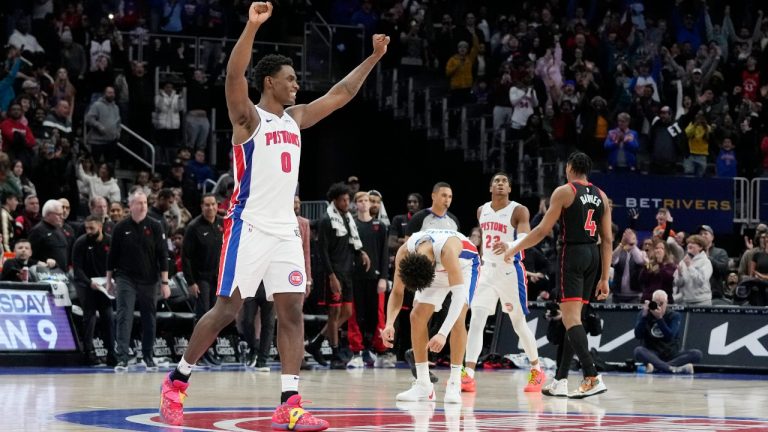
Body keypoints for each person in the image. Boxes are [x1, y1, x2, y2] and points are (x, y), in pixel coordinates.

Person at [159, 4, 389, 430]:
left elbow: (341, 95)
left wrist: (373, 58)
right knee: (227, 309)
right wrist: (250, 25)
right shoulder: (248, 118)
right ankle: (177, 381)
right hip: (247, 224)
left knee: (292, 312)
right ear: (270, 82)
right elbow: (232, 77)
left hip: (284, 227)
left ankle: (290, 401)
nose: (297, 85)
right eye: (291, 79)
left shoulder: (297, 119)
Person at [503, 152, 612, 399]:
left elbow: (542, 230)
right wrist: (605, 277)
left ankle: (591, 376)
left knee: (571, 318)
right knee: (572, 319)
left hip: (572, 253)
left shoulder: (565, 191)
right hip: (593, 256)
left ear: (570, 167)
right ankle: (561, 380)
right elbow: (607, 239)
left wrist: (514, 248)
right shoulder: (602, 196)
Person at [462, 172, 543, 394]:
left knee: (518, 323)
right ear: (490, 188)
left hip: (510, 271)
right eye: (496, 181)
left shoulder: (519, 210)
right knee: (477, 319)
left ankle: (537, 370)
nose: (500, 184)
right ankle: (468, 374)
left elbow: (526, 238)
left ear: (509, 189)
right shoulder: (482, 210)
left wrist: (509, 244)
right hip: (487, 271)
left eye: (504, 181)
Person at [381, 228, 480, 403]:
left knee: (458, 318)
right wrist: (389, 323)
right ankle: (424, 386)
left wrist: (442, 333)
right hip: (435, 269)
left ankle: (454, 383)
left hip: (464, 265)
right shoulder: (404, 252)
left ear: (431, 265)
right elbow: (397, 292)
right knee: (416, 315)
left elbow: (457, 298)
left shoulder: (447, 250)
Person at [305, 183, 371, 369]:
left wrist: (361, 253)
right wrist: (331, 276)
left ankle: (316, 343)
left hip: (347, 272)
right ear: (334, 200)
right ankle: (335, 354)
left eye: (348, 199)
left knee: (347, 312)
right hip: (333, 273)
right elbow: (322, 251)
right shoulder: (327, 220)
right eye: (343, 200)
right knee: (334, 314)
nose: (346, 202)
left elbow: (352, 243)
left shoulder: (347, 218)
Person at [106, 190, 170, 371]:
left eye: (145, 203)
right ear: (131, 205)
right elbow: (112, 256)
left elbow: (163, 255)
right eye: (139, 203)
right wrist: (109, 280)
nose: (142, 206)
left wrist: (165, 283)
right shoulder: (120, 227)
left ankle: (148, 356)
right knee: (124, 315)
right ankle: (123, 358)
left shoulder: (156, 225)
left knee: (149, 317)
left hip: (149, 279)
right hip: (125, 278)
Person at [72, 215, 116, 366]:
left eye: (92, 228)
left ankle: (112, 353)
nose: (88, 231)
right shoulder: (81, 242)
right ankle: (88, 353)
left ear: (100, 226)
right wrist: (88, 282)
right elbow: (76, 269)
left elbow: (117, 264)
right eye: (86, 228)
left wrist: (112, 281)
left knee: (108, 317)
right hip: (86, 284)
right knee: (89, 317)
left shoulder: (110, 242)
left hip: (104, 285)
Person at [633, 290, 701, 374]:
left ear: (666, 302)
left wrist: (659, 319)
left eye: (661, 303)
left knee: (696, 354)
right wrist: (644, 317)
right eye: (656, 303)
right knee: (638, 351)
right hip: (653, 354)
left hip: (671, 354)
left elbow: (669, 337)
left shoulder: (674, 316)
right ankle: (672, 368)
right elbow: (638, 335)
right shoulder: (644, 314)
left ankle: (657, 368)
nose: (658, 306)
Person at [182, 194, 223, 318]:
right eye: (207, 205)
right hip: (201, 278)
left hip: (218, 277)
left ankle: (214, 338)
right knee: (203, 312)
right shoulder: (193, 227)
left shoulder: (223, 223)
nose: (210, 207)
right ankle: (199, 338)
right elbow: (186, 256)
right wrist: (191, 282)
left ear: (217, 206)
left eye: (213, 204)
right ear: (201, 207)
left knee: (217, 312)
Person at [27, 199, 69, 271]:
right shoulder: (37, 231)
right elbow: (29, 257)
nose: (62, 217)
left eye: (62, 214)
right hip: (46, 275)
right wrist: (40, 263)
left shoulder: (59, 229)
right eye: (59, 214)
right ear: (48, 214)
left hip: (62, 274)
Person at [672, 234, 713, 306]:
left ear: (700, 247)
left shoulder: (706, 262)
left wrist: (690, 266)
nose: (689, 245)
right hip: (685, 301)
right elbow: (678, 284)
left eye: (693, 243)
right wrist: (680, 275)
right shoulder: (683, 261)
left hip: (702, 302)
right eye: (688, 243)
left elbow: (700, 281)